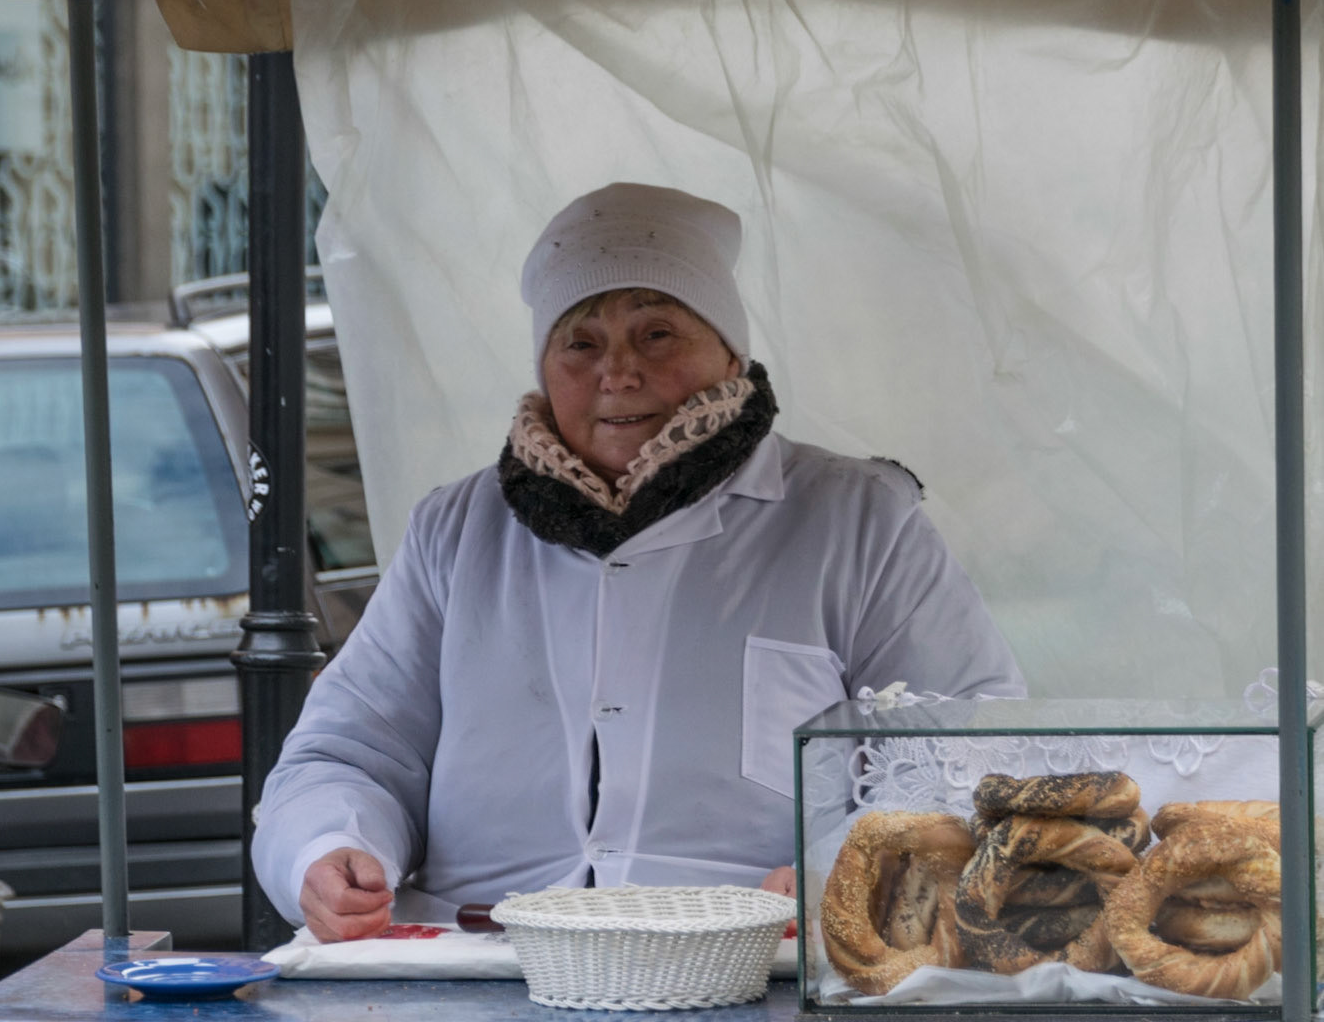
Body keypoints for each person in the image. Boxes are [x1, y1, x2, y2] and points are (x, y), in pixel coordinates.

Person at [252, 182, 1022, 941]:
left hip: (766, 969)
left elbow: (965, 749)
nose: (616, 373)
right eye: (579, 343)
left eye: (656, 334)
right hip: (482, 971)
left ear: (730, 355)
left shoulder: (854, 518)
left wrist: (848, 862)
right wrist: (327, 848)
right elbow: (351, 750)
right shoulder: (456, 530)